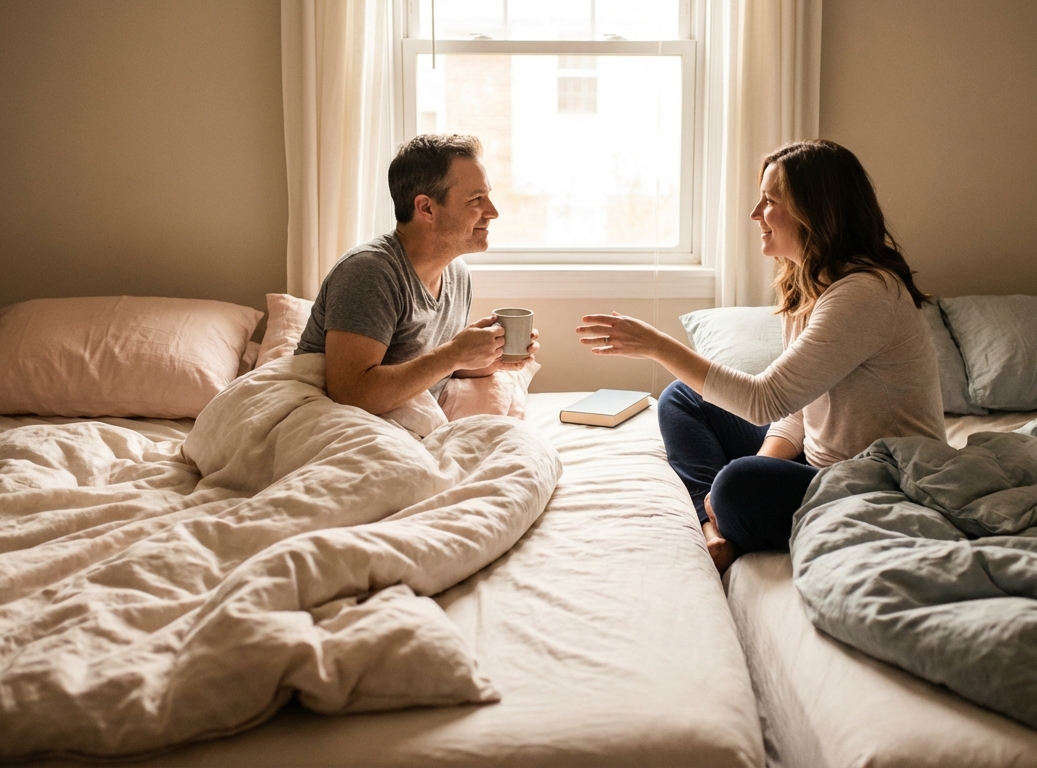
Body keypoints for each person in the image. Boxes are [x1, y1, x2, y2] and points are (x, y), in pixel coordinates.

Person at [576, 139, 943, 573]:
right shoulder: (811, 286)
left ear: (814, 211)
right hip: (821, 462)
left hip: (879, 483)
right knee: (684, 398)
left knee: (738, 484)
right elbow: (796, 411)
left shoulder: (865, 294)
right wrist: (763, 463)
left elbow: (764, 400)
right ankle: (714, 524)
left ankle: (723, 514)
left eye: (769, 201)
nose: (755, 214)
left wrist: (657, 345)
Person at [296, 134, 537, 414]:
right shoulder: (369, 273)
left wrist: (484, 357)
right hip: (328, 418)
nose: (492, 212)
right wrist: (453, 354)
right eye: (476, 199)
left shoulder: (457, 275)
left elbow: (424, 370)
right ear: (426, 208)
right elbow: (350, 394)